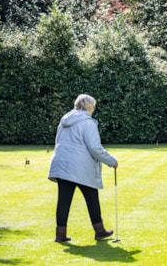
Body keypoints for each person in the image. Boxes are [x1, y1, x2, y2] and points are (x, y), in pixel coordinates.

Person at [48, 94, 118, 242]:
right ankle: (100, 231)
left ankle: (60, 235)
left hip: (61, 163)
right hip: (79, 166)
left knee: (63, 200)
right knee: (92, 197)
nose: (94, 109)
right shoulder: (88, 122)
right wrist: (111, 161)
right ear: (89, 106)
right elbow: (94, 147)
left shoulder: (65, 119)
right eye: (94, 106)